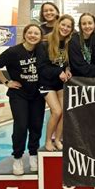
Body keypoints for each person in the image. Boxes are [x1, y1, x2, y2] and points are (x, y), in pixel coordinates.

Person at [0, 24, 45, 175]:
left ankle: (33, 155)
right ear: (25, 34)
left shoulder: (41, 51)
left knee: (36, 126)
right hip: (19, 95)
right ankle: (18, 158)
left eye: (36, 33)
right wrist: (6, 82)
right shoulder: (13, 52)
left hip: (37, 95)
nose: (33, 35)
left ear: (40, 37)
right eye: (30, 32)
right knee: (21, 126)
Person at [37, 14, 74, 151]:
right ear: (58, 24)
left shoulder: (67, 43)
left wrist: (67, 69)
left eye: (68, 26)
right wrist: (58, 72)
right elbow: (41, 67)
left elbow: (64, 63)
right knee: (57, 111)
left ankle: (58, 139)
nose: (65, 28)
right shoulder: (45, 42)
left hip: (59, 83)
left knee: (64, 112)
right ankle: (48, 140)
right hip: (46, 82)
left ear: (71, 30)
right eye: (63, 25)